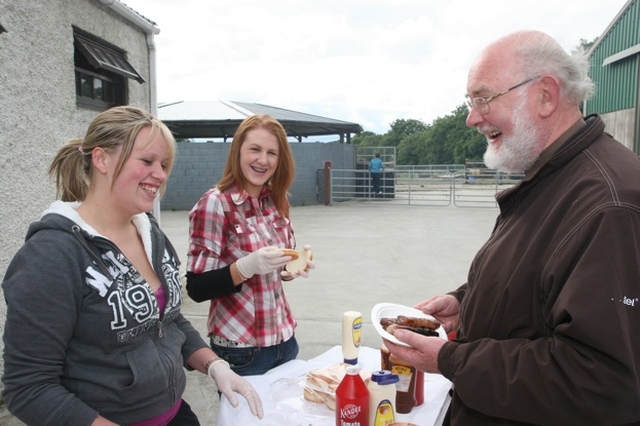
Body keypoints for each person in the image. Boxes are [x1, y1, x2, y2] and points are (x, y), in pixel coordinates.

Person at [383, 30, 640, 425]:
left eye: (483, 98)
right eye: (470, 102)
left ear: (545, 95)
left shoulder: (609, 204)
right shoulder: (553, 176)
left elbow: (597, 380)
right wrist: (468, 303)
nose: (472, 118)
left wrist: (451, 359)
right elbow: (543, 287)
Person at [1, 106, 263, 425]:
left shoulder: (149, 232)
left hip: (174, 414)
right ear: (101, 159)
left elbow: (168, 319)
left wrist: (214, 365)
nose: (161, 175)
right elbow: (28, 387)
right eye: (147, 161)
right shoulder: (51, 255)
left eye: (164, 164)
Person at [186, 114, 315, 376]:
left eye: (272, 153)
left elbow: (278, 269)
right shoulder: (215, 203)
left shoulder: (277, 201)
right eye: (254, 149)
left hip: (285, 340)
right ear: (238, 152)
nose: (263, 160)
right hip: (241, 349)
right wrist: (246, 266)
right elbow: (196, 288)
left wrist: (290, 270)